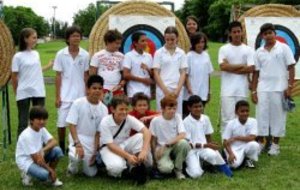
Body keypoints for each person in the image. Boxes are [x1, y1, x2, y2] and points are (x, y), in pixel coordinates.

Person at [252, 23, 295, 156]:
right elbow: (256, 73)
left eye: (270, 32)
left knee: (278, 117)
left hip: (279, 88)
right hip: (263, 89)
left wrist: (289, 87)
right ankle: (261, 143)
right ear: (262, 36)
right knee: (261, 116)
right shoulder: (259, 52)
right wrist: (253, 91)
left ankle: (275, 145)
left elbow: (291, 67)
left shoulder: (284, 48)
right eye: (265, 33)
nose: (268, 35)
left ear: (274, 33)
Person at [53, 26, 90, 153]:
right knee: (61, 123)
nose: (76, 38)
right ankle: (62, 147)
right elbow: (58, 76)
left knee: (78, 123)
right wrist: (57, 96)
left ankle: (76, 144)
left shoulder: (85, 55)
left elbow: (86, 76)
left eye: (78, 36)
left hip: (80, 95)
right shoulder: (60, 54)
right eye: (73, 36)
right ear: (68, 38)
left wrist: (87, 94)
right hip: (65, 95)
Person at [99, 95, 151, 184]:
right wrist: (128, 156)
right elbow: (110, 146)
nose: (124, 112)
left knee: (140, 136)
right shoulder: (105, 122)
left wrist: (144, 150)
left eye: (126, 109)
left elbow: (146, 132)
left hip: (124, 145)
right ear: (113, 109)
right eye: (121, 109)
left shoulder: (129, 118)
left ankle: (137, 167)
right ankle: (125, 166)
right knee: (116, 169)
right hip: (109, 148)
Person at [66, 75, 108, 177]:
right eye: (94, 88)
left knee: (91, 174)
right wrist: (77, 144)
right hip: (78, 136)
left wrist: (95, 151)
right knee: (75, 156)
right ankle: (72, 168)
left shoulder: (104, 109)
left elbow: (98, 133)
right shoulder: (78, 103)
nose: (97, 91)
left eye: (99, 88)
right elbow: (71, 125)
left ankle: (87, 163)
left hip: (92, 140)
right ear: (88, 89)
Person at [218, 21, 255, 133]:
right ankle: (226, 142)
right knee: (227, 118)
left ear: (242, 32)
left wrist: (230, 66)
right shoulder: (224, 49)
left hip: (242, 90)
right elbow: (223, 66)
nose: (237, 34)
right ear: (230, 34)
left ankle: (239, 141)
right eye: (234, 32)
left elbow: (251, 68)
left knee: (242, 118)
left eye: (239, 31)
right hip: (227, 90)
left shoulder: (248, 50)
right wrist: (242, 66)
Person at [184, 95, 232, 178]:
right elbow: (189, 144)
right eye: (195, 107)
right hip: (191, 151)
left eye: (200, 106)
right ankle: (190, 165)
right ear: (189, 108)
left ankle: (219, 166)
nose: (198, 109)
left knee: (213, 154)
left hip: (204, 148)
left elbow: (208, 136)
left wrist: (212, 144)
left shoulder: (205, 118)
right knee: (196, 174)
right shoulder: (186, 122)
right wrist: (207, 145)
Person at [16, 106, 63, 187]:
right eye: (39, 119)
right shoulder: (27, 135)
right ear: (31, 120)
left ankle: (49, 176)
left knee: (57, 151)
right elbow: (36, 159)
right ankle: (26, 174)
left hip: (38, 155)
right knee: (44, 174)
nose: (42, 122)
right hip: (26, 161)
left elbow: (54, 141)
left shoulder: (41, 129)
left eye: (44, 119)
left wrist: (43, 150)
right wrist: (50, 170)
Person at [11, 28, 46, 136]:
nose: (36, 40)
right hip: (24, 92)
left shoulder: (36, 54)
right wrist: (17, 91)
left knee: (40, 121)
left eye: (36, 37)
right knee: (23, 123)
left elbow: (37, 70)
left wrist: (49, 65)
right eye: (34, 37)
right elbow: (14, 76)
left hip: (38, 91)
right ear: (26, 39)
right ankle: (21, 150)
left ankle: (38, 146)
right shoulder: (17, 56)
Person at [149, 94, 191, 179]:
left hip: (173, 145)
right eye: (169, 108)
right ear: (163, 109)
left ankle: (178, 169)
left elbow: (182, 134)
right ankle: (169, 163)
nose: (172, 111)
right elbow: (152, 140)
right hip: (160, 148)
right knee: (166, 169)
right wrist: (154, 157)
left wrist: (167, 144)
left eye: (174, 108)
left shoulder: (177, 117)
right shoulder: (155, 121)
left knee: (184, 143)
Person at [153, 26, 187, 114]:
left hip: (177, 89)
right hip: (162, 88)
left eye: (172, 39)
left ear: (177, 38)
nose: (169, 42)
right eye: (167, 39)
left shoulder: (181, 53)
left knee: (177, 114)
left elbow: (183, 72)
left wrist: (177, 90)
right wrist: (165, 90)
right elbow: (156, 73)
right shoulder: (159, 53)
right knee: (162, 114)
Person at [183, 32, 213, 117]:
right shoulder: (189, 56)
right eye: (198, 42)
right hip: (190, 93)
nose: (200, 44)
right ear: (194, 43)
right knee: (188, 116)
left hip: (203, 92)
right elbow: (186, 74)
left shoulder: (206, 55)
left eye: (202, 42)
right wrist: (189, 88)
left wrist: (209, 91)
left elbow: (208, 74)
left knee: (200, 116)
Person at [222, 100, 260, 169]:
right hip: (234, 148)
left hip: (246, 145)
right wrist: (231, 153)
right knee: (234, 165)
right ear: (236, 112)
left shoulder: (253, 121)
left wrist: (236, 138)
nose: (245, 113)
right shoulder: (231, 123)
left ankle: (248, 160)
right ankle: (229, 157)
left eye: (247, 111)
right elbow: (225, 142)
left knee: (255, 145)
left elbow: (252, 138)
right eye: (242, 111)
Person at [90, 29, 126, 97]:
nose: (119, 46)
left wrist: (120, 85)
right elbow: (92, 76)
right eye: (117, 43)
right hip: (101, 90)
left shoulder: (121, 56)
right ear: (108, 42)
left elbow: (124, 76)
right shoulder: (97, 55)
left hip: (117, 89)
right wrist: (97, 89)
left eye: (120, 43)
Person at [123, 31, 154, 99]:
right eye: (142, 41)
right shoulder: (128, 56)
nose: (145, 43)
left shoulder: (149, 56)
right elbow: (126, 75)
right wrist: (143, 80)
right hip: (133, 91)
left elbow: (152, 74)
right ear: (135, 43)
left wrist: (148, 69)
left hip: (146, 92)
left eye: (146, 41)